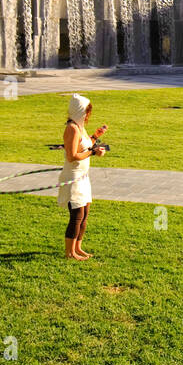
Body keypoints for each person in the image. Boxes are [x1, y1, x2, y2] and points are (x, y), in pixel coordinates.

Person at [59, 94, 107, 261]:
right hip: (73, 176)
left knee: (85, 213)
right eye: (86, 112)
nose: (87, 115)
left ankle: (78, 248)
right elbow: (72, 156)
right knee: (77, 214)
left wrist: (95, 137)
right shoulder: (71, 128)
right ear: (78, 111)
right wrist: (93, 152)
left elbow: (84, 146)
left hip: (83, 176)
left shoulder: (80, 127)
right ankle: (69, 252)